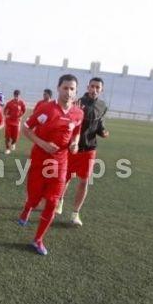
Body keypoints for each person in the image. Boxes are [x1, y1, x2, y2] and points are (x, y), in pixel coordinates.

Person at [17, 74, 83, 255]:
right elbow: (25, 128)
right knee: (35, 198)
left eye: (72, 89)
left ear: (76, 91)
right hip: (40, 160)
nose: (68, 92)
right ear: (58, 88)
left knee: (53, 201)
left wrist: (75, 143)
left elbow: (76, 131)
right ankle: (27, 208)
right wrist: (43, 143)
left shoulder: (78, 113)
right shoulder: (46, 109)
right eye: (65, 88)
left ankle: (38, 240)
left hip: (61, 162)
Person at [56, 77, 109, 226]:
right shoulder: (77, 102)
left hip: (89, 149)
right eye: (92, 86)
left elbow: (100, 125)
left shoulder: (102, 106)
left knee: (84, 181)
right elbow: (67, 123)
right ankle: (59, 201)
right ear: (87, 87)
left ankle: (75, 214)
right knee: (65, 178)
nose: (94, 90)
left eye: (97, 87)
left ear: (101, 90)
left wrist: (104, 132)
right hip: (72, 148)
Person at [3, 89, 26, 154]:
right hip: (9, 122)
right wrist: (6, 115)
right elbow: (5, 110)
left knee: (15, 137)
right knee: (7, 137)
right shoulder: (10, 103)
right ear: (14, 95)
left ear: (19, 96)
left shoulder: (21, 103)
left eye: (17, 95)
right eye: (15, 95)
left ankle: (13, 143)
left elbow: (24, 110)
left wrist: (21, 116)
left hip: (17, 122)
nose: (16, 96)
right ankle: (7, 149)